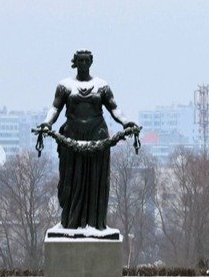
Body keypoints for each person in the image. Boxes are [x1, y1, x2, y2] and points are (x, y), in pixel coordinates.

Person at [37, 50, 139, 231]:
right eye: (80, 60)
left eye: (86, 60)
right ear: (75, 62)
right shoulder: (64, 86)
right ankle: (71, 222)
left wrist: (126, 122)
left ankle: (94, 223)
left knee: (95, 181)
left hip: (97, 136)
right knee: (71, 181)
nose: (83, 63)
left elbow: (114, 109)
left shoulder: (102, 86)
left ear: (91, 62)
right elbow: (54, 109)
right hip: (72, 137)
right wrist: (46, 124)